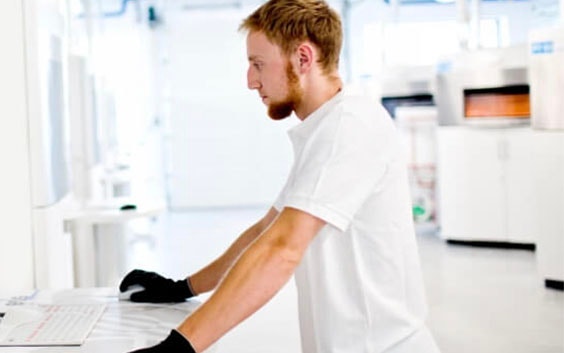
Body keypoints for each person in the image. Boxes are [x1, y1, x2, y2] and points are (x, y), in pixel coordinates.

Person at [121, 1, 440, 352]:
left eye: (257, 64)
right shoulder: (327, 127)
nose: (250, 81)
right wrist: (182, 288)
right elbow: (265, 233)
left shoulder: (350, 126)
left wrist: (180, 347)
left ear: (303, 58)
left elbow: (283, 248)